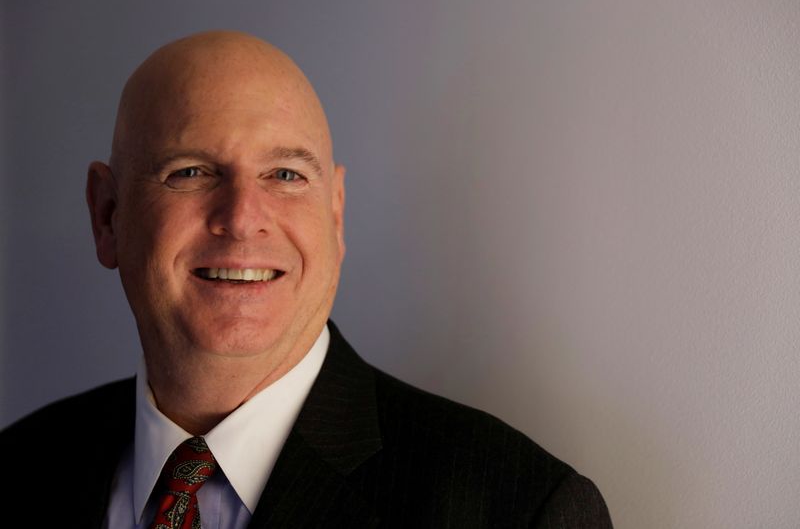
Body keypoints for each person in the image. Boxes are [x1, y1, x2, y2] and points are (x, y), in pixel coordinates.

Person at [0, 30, 613, 528]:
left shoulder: (518, 507)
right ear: (107, 216)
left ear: (336, 215)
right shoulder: (22, 467)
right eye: (190, 172)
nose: (242, 218)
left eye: (286, 175)